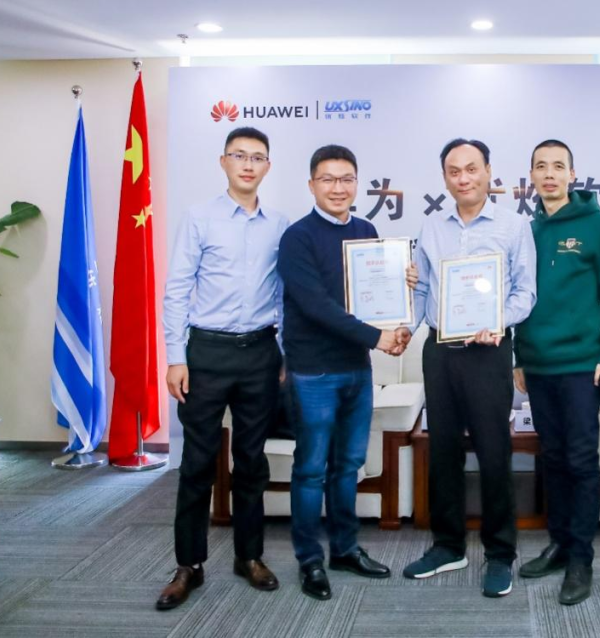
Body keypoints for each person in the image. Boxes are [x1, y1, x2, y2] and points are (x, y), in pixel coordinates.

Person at [157, 126, 288, 610]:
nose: (248, 164)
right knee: (197, 462)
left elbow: (283, 294)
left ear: (268, 166)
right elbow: (177, 290)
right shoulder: (199, 218)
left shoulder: (280, 224)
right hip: (207, 354)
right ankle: (188, 565)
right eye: (240, 155)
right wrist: (176, 357)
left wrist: (282, 354)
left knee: (251, 461)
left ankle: (248, 556)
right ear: (224, 162)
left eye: (257, 157)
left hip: (260, 353)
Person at [277, 144, 412, 600]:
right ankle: (309, 560)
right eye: (328, 179)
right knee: (311, 469)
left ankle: (345, 549)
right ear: (312, 184)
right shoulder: (297, 237)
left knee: (348, 465)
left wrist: (401, 300)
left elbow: (374, 295)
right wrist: (377, 337)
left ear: (357, 183)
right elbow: (315, 305)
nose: (338, 188)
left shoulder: (366, 230)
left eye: (347, 179)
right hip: (314, 372)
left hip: (356, 368)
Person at [403, 138, 536, 599]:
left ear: (488, 171)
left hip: (488, 352)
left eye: (472, 169)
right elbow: (422, 290)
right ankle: (448, 546)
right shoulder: (431, 226)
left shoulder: (514, 226)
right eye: (454, 171)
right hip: (440, 351)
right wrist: (404, 328)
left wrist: (496, 321)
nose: (464, 178)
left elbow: (525, 293)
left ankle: (500, 553)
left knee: (494, 452)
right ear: (445, 178)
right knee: (442, 451)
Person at [513, 139, 600, 605]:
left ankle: (581, 558)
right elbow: (519, 295)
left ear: (572, 175)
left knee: (580, 461)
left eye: (558, 166)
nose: (549, 174)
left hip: (582, 364)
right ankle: (559, 544)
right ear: (531, 177)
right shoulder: (527, 229)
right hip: (538, 364)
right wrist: (519, 356)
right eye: (541, 167)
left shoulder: (597, 225)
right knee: (553, 458)